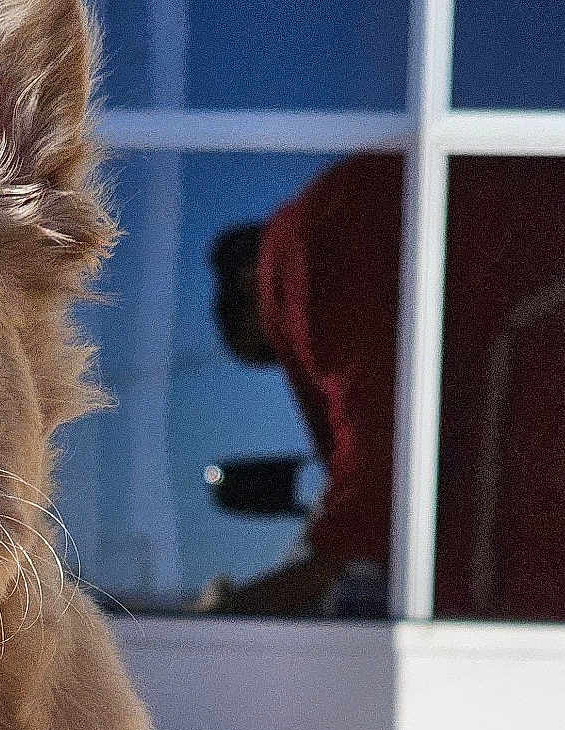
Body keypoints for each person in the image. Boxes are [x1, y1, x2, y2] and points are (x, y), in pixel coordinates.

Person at [201, 151, 565, 621]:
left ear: (251, 287)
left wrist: (273, 593)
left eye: (284, 351)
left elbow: (383, 446)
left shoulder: (303, 257)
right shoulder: (339, 216)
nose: (301, 373)